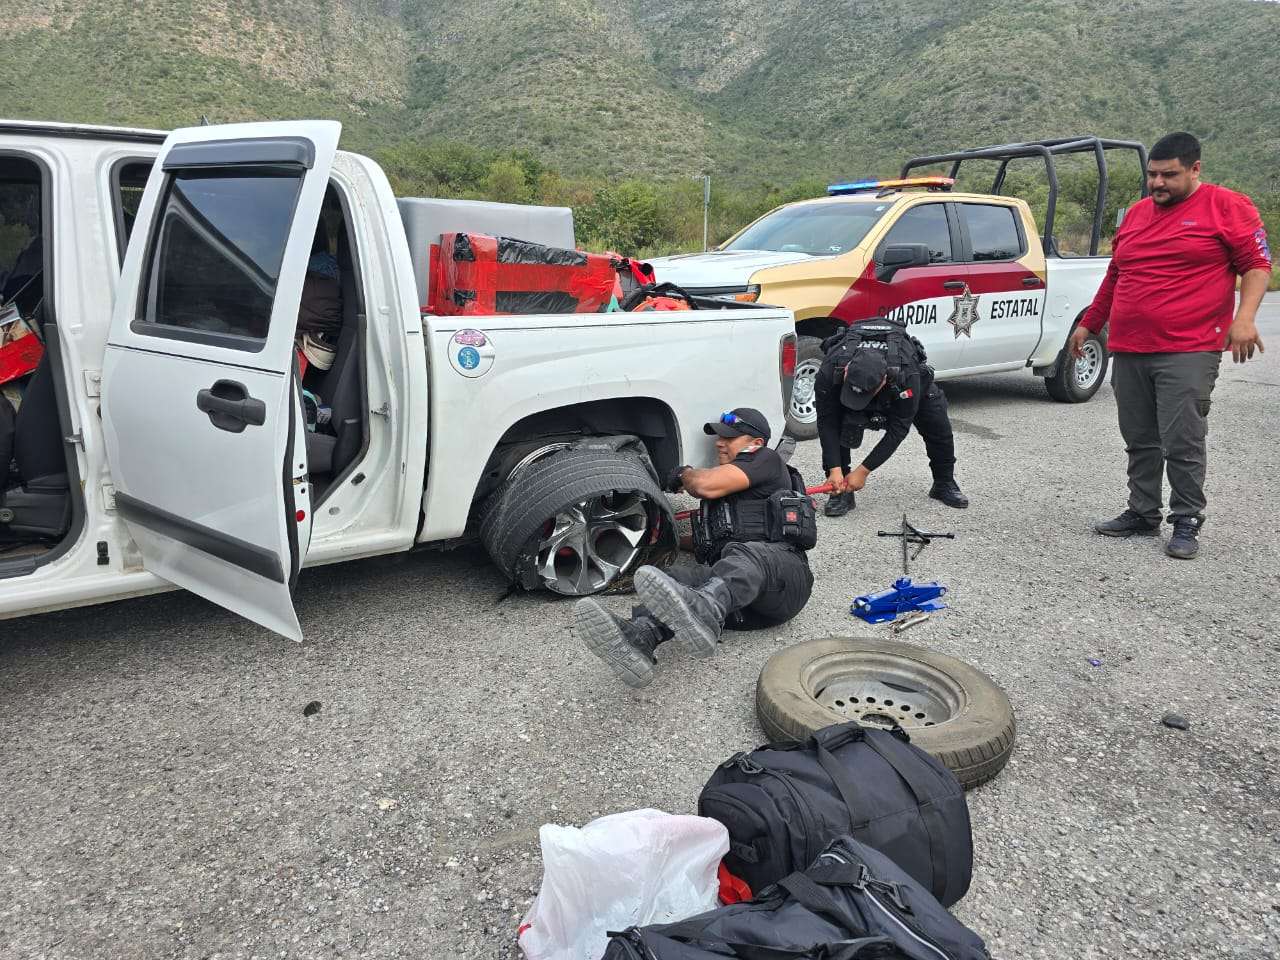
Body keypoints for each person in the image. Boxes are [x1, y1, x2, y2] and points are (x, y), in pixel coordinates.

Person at [1071, 132, 1270, 559]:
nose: (1157, 183)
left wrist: (1245, 318)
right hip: (1130, 346)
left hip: (1189, 347)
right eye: (1152, 175)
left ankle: (1186, 520)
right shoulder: (1137, 214)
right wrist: (1090, 324)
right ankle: (1142, 512)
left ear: (1195, 169)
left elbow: (1257, 264)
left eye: (1169, 175)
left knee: (1182, 439)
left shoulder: (1227, 206)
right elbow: (1116, 274)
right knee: (1139, 436)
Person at [574, 407, 815, 688]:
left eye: (730, 438)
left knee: (744, 555)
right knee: (673, 577)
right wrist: (662, 542)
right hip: (740, 609)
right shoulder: (727, 501)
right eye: (720, 437)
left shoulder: (767, 459)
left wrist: (684, 474)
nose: (720, 443)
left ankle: (706, 607)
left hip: (783, 579)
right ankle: (641, 637)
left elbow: (704, 484)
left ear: (756, 443)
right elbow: (708, 540)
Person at [814, 318, 968, 516]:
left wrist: (863, 471)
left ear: (884, 380)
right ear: (846, 370)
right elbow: (827, 423)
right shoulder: (829, 369)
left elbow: (898, 430)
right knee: (839, 420)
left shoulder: (907, 374)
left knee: (937, 423)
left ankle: (944, 483)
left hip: (902, 392)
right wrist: (834, 469)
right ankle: (841, 490)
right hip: (848, 386)